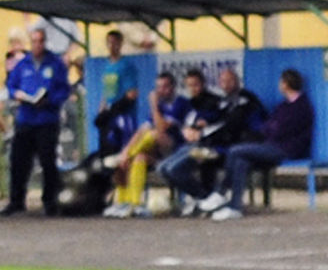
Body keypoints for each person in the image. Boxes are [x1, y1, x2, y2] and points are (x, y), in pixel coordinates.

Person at [201, 67, 315, 221]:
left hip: (285, 150)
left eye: (281, 82)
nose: (279, 85)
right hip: (272, 145)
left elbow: (278, 130)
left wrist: (270, 129)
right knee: (241, 161)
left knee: (235, 150)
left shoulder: (301, 107)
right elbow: (269, 126)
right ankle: (235, 207)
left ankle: (220, 192)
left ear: (286, 84)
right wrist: (270, 129)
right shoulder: (284, 105)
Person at [2, 26, 72, 216]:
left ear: (45, 42)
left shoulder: (55, 63)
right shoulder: (23, 63)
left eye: (40, 41)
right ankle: (16, 201)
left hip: (47, 120)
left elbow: (64, 89)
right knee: (18, 162)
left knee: (47, 162)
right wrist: (15, 94)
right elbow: (11, 84)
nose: (37, 45)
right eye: (34, 41)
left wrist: (50, 101)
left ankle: (49, 201)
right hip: (26, 118)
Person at [104, 70, 188, 215]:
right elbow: (141, 131)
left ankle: (127, 158)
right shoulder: (160, 106)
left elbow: (161, 127)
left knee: (154, 134)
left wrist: (154, 106)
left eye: (165, 87)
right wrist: (125, 152)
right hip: (156, 153)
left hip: (175, 151)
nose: (161, 91)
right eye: (159, 87)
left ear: (173, 87)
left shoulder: (180, 103)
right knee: (138, 157)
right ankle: (130, 203)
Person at [154, 67, 229, 212]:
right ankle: (200, 197)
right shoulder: (188, 103)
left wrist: (201, 126)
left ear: (203, 84)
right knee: (162, 168)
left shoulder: (214, 102)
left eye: (196, 84)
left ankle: (205, 197)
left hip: (207, 145)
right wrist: (187, 130)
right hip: (188, 144)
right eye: (189, 85)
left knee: (173, 169)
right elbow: (185, 125)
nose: (193, 89)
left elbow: (217, 122)